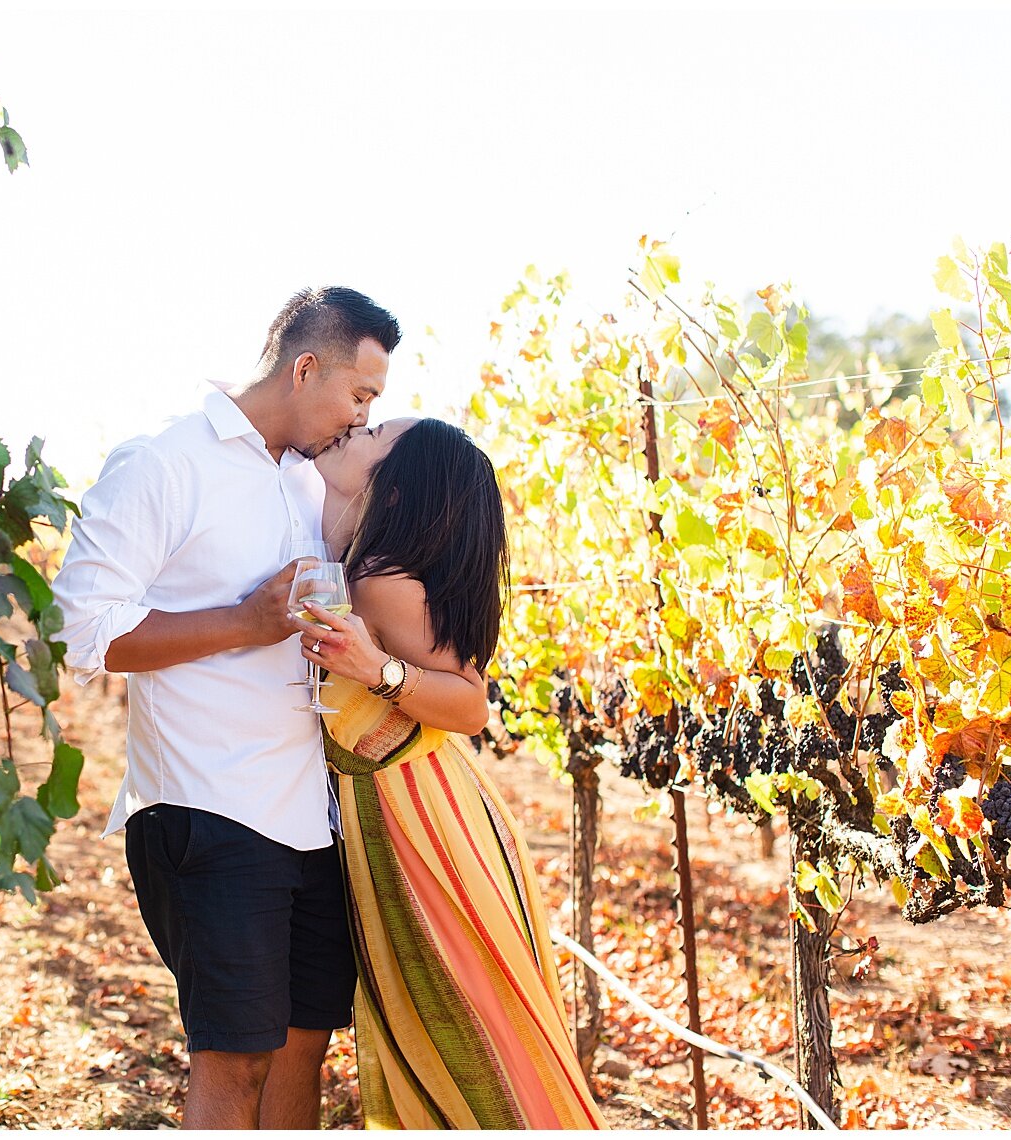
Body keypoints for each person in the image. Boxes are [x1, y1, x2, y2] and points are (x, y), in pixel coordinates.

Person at [54, 286, 402, 1129]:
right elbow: (81, 632)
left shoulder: (312, 482)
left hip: (310, 820)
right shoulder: (165, 463)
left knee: (301, 1051)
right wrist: (245, 623)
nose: (361, 420)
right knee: (235, 1062)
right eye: (358, 395)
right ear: (305, 366)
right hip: (209, 808)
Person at [292, 417, 607, 1129]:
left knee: (464, 1019)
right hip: (425, 802)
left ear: (394, 490)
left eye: (376, 434)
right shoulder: (368, 562)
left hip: (417, 818)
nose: (356, 430)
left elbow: (469, 703)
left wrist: (377, 670)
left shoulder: (378, 580)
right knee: (475, 1013)